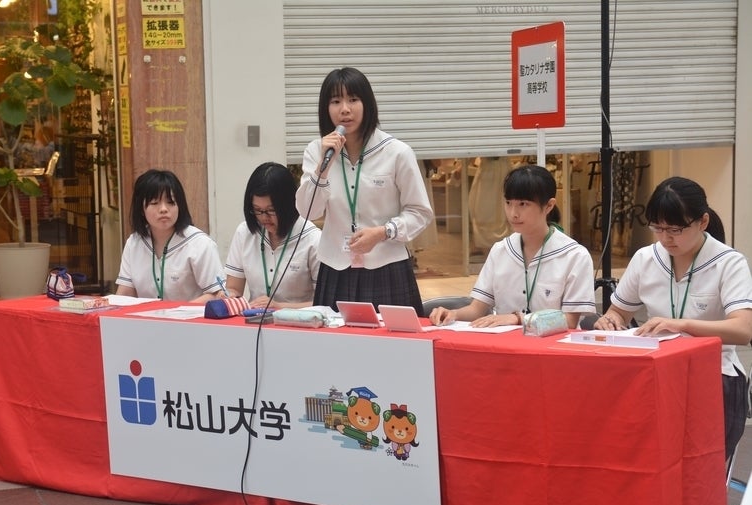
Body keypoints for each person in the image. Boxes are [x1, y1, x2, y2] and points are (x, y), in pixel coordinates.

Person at [594, 176, 752, 460]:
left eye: (675, 230)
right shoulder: (646, 258)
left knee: (701, 467)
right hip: (656, 372)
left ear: (703, 222)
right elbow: (618, 311)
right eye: (658, 228)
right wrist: (610, 320)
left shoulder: (728, 262)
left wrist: (681, 325)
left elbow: (743, 329)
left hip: (713, 375)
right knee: (647, 461)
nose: (666, 238)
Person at [296, 67, 433, 315]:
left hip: (387, 268)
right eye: (335, 101)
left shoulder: (396, 152)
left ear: (367, 104)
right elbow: (308, 211)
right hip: (335, 268)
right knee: (335, 338)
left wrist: (383, 232)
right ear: (326, 108)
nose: (345, 109)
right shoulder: (317, 151)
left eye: (353, 99)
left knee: (392, 338)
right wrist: (322, 169)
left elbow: (420, 212)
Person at [429, 164, 595, 328]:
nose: (513, 213)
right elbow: (476, 309)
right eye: (508, 203)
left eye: (523, 204)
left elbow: (570, 321)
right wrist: (453, 314)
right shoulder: (501, 250)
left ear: (549, 206)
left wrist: (519, 319)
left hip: (553, 344)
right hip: (504, 343)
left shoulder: (574, 256)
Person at [223, 162, 321, 309]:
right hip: (253, 319)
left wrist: (279, 306)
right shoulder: (245, 233)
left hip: (298, 321)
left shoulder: (313, 239)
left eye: (271, 210)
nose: (264, 218)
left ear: (288, 205)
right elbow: (234, 288)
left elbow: (323, 303)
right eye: (257, 210)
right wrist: (228, 295)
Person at [115, 169, 223, 302]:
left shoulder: (200, 244)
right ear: (141, 209)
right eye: (155, 203)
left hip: (190, 315)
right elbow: (125, 293)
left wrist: (180, 311)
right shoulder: (134, 243)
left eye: (171, 202)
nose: (164, 209)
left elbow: (217, 294)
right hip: (147, 315)